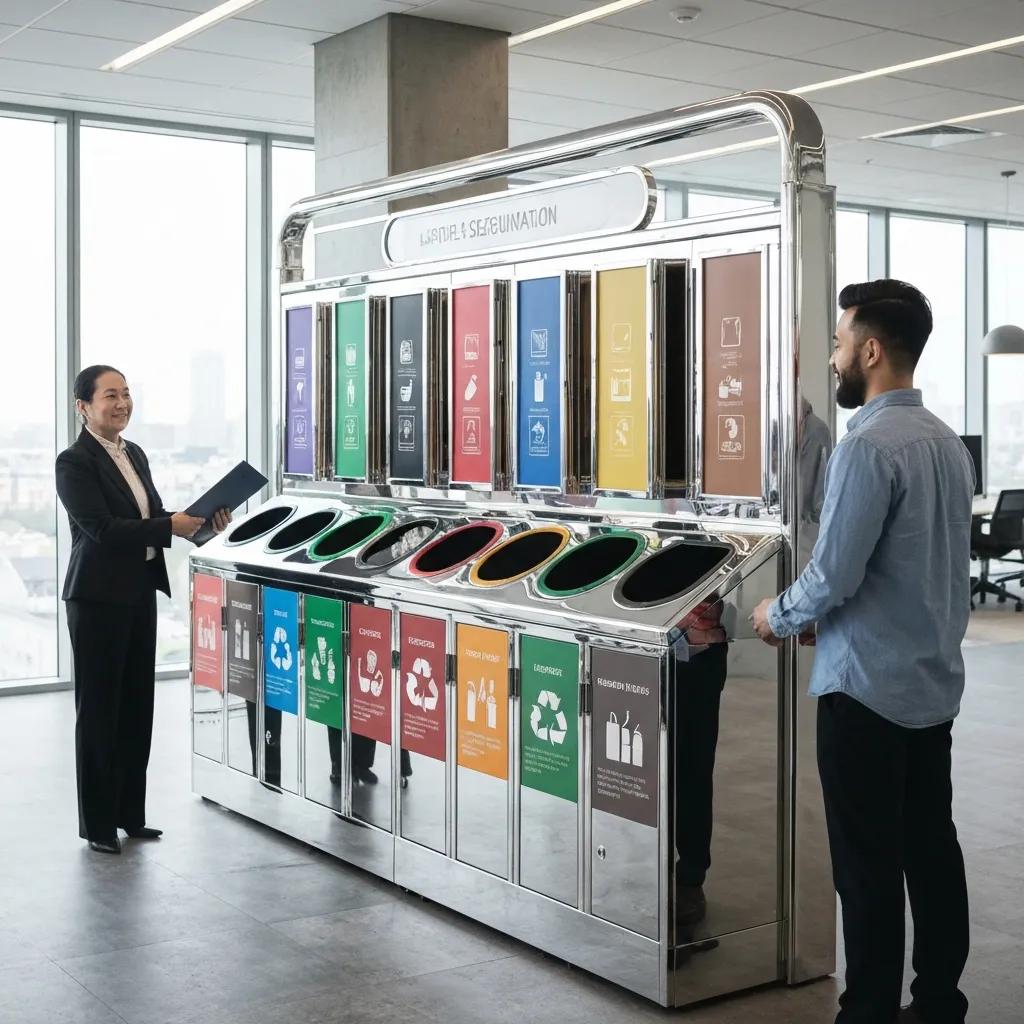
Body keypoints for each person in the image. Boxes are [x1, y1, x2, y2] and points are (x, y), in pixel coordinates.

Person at [751, 281, 974, 1024]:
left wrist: (778, 615)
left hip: (865, 695)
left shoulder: (867, 448)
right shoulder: (946, 441)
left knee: (867, 867)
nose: (836, 360)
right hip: (930, 687)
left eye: (842, 345)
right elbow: (917, 570)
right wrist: (829, 616)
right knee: (931, 852)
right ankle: (939, 1003)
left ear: (872, 350)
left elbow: (835, 570)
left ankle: (868, 1012)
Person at [55, 365, 231, 855]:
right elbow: (102, 529)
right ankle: (98, 826)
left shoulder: (135, 454)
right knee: (99, 713)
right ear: (83, 407)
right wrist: (168, 526)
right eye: (111, 395)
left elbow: (150, 518)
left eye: (127, 394)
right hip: (95, 600)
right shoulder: (73, 462)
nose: (122, 403)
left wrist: (200, 522)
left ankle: (130, 815)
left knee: (136, 709)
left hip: (138, 593)